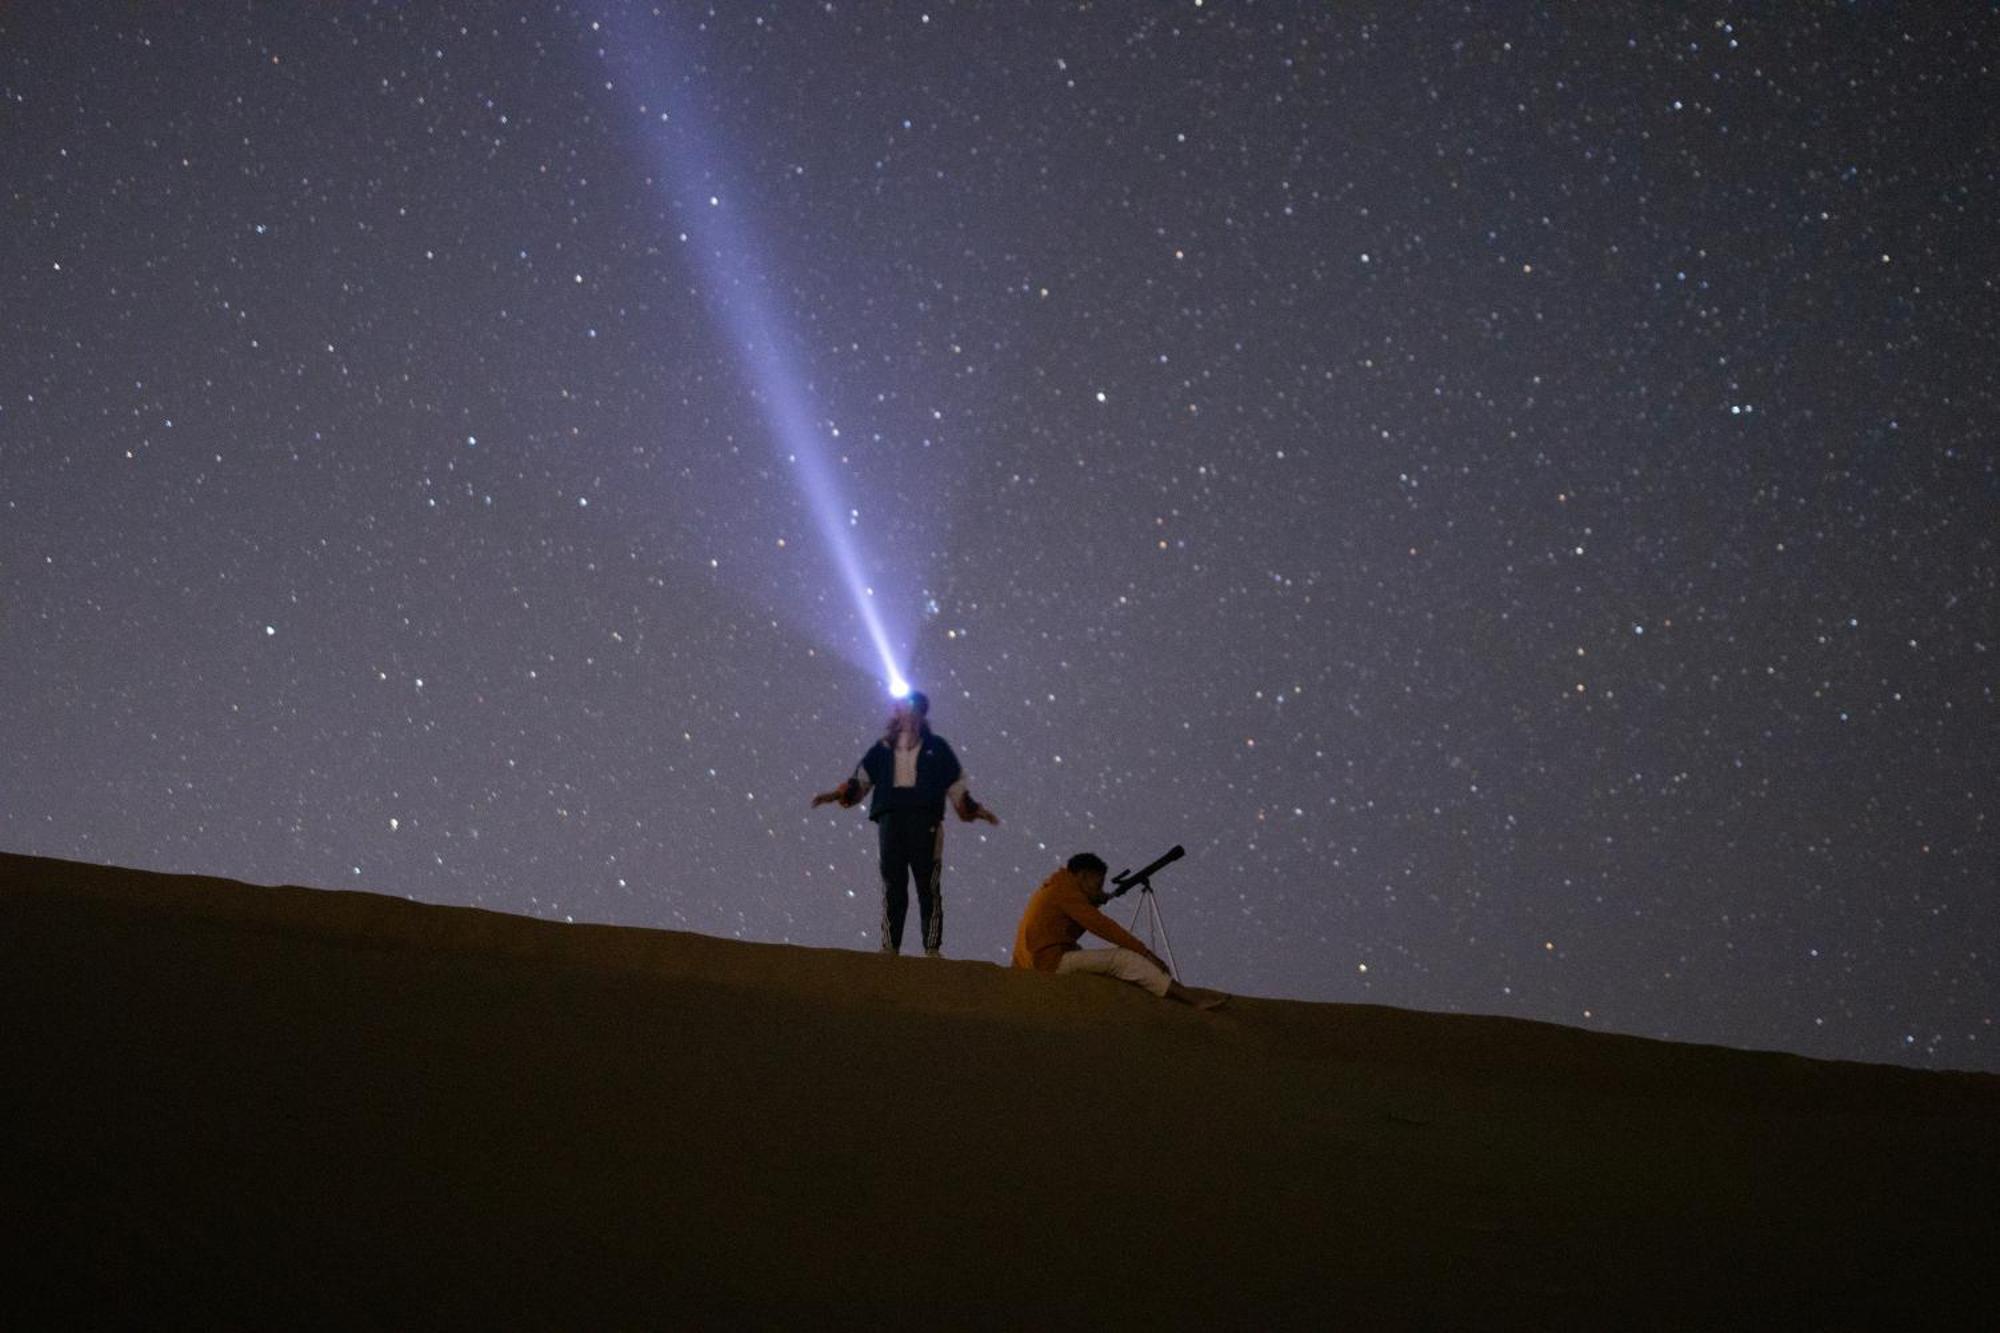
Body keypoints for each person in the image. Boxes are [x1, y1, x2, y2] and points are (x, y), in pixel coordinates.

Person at [810, 691, 998, 957]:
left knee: (928, 885)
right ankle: (889, 947)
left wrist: (975, 810)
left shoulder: (937, 748)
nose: (906, 712)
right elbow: (860, 781)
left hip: (925, 820)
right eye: (901, 707)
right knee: (893, 884)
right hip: (891, 819)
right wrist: (836, 794)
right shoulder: (883, 748)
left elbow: (956, 786)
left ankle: (932, 949)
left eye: (912, 707)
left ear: (921, 712)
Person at [1012, 852, 1228, 1009]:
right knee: (1121, 959)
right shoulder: (1065, 892)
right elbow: (1102, 926)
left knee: (1085, 954)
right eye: (1098, 885)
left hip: (1032, 964)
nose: (1101, 890)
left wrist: (1094, 899)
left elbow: (1068, 919)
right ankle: (1189, 997)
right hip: (1047, 963)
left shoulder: (1057, 886)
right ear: (1083, 876)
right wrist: (1145, 953)